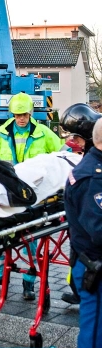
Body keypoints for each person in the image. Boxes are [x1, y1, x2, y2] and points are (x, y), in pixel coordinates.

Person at [0, 92, 68, 300]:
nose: (21, 118)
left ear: (30, 113)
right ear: (13, 113)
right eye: (17, 114)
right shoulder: (2, 133)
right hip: (9, 193)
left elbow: (62, 153)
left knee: (30, 239)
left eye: (24, 114)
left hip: (34, 196)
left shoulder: (44, 133)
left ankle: (29, 281)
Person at [64, 116, 102, 348]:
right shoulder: (93, 177)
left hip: (90, 262)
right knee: (94, 339)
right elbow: (98, 229)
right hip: (94, 267)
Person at [59, 103, 102, 305]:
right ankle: (78, 290)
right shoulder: (90, 172)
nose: (72, 142)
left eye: (76, 138)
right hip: (88, 258)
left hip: (88, 256)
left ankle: (78, 290)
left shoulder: (91, 171)